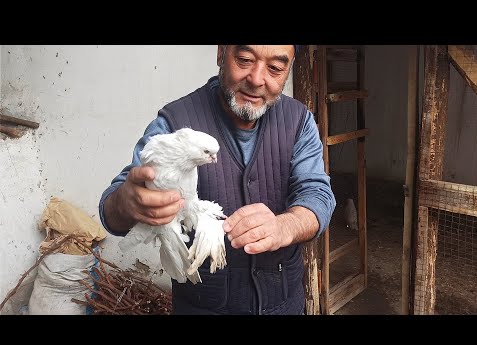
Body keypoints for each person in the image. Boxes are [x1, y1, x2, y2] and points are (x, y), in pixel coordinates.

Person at [99, 45, 336, 315]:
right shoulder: (175, 123)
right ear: (221, 53)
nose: (257, 79)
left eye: (275, 68)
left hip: (285, 304)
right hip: (202, 306)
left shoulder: (299, 121)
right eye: (245, 59)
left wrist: (287, 225)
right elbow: (111, 209)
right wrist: (126, 203)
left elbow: (317, 193)